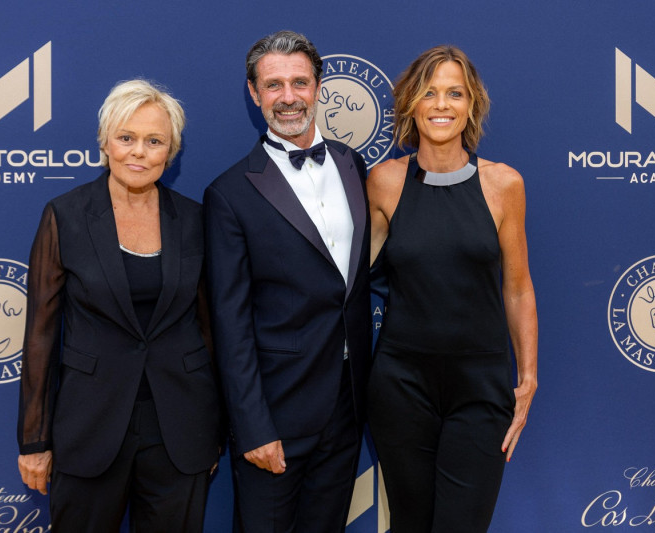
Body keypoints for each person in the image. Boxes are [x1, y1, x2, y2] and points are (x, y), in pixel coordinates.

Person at [16, 79, 222, 532]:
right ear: (105, 142)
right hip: (90, 426)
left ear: (171, 151)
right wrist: (34, 441)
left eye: (154, 141)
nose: (138, 152)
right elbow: (40, 335)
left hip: (181, 429)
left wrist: (215, 430)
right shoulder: (65, 215)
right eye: (126, 138)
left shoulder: (195, 220)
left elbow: (212, 330)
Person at [203, 30, 372, 533]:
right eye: (273, 85)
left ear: (319, 87)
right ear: (254, 95)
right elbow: (229, 323)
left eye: (299, 82)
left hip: (347, 403)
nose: (289, 97)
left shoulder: (351, 163)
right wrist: (253, 427)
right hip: (276, 413)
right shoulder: (229, 193)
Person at [367, 45, 538, 533]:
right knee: (410, 524)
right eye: (429, 93)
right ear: (411, 106)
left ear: (471, 105)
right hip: (401, 385)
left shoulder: (504, 184)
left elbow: (518, 288)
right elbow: (350, 279)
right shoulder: (383, 182)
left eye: (454, 93)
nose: (441, 104)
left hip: (480, 388)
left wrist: (528, 376)